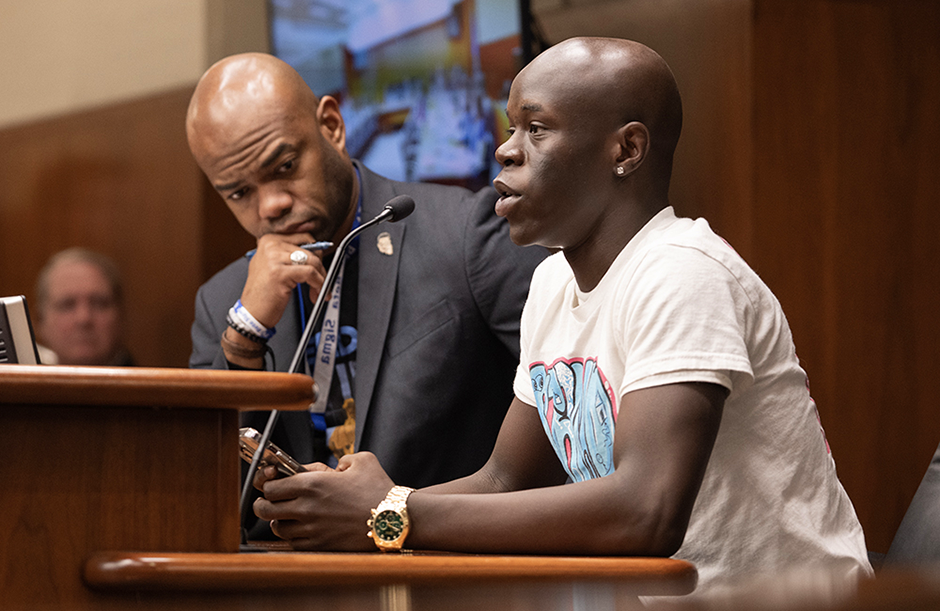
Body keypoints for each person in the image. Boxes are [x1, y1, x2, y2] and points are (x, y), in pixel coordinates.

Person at [249, 37, 873, 597]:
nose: (505, 149)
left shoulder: (680, 272)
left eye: (536, 129)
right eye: (509, 128)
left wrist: (390, 512)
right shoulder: (552, 280)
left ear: (625, 149)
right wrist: (347, 509)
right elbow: (503, 481)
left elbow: (646, 510)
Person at [186, 52, 547, 532]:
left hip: (453, 573)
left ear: (332, 126)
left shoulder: (464, 235)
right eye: (238, 193)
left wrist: (393, 510)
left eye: (285, 166)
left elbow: (568, 418)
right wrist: (244, 340)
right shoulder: (223, 304)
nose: (270, 205)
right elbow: (208, 512)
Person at [34, 247, 134, 366]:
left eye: (99, 304)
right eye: (67, 305)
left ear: (121, 316)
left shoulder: (152, 384)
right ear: (39, 320)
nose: (84, 319)